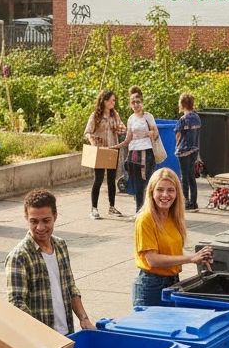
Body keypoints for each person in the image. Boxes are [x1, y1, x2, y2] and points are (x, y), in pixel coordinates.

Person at [5, 189, 94, 334]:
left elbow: (70, 287)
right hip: (41, 340)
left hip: (67, 334)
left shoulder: (60, 245)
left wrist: (84, 318)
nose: (40, 228)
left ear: (55, 217)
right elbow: (17, 304)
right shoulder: (19, 256)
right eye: (34, 221)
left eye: (46, 221)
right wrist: (44, 337)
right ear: (26, 218)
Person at [132, 168, 214, 307]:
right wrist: (190, 258)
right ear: (151, 192)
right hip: (151, 286)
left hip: (173, 282)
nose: (165, 195)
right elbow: (152, 260)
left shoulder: (173, 217)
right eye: (160, 190)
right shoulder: (145, 219)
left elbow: (172, 251)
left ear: (177, 193)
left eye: (170, 190)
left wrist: (199, 256)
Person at [115, 87, 158, 212]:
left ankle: (151, 210)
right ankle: (139, 211)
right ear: (130, 104)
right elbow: (128, 139)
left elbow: (155, 133)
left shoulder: (148, 117)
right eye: (133, 102)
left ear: (142, 102)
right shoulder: (131, 119)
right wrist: (115, 146)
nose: (135, 104)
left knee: (148, 182)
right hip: (133, 154)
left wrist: (148, 133)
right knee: (137, 184)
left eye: (138, 102)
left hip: (146, 152)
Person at [84, 90, 125, 219]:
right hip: (101, 150)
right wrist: (92, 140)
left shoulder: (115, 115)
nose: (113, 103)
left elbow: (122, 128)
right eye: (111, 100)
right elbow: (87, 132)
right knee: (99, 179)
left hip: (113, 149)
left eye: (114, 100)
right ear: (105, 101)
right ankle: (94, 208)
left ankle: (112, 207)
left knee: (112, 179)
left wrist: (120, 129)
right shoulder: (95, 115)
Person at [175, 93, 201, 211]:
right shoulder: (197, 117)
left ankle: (185, 201)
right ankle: (193, 202)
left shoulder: (183, 120)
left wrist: (177, 146)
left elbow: (178, 135)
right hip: (194, 149)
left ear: (182, 104)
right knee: (191, 176)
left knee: (184, 177)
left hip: (183, 151)